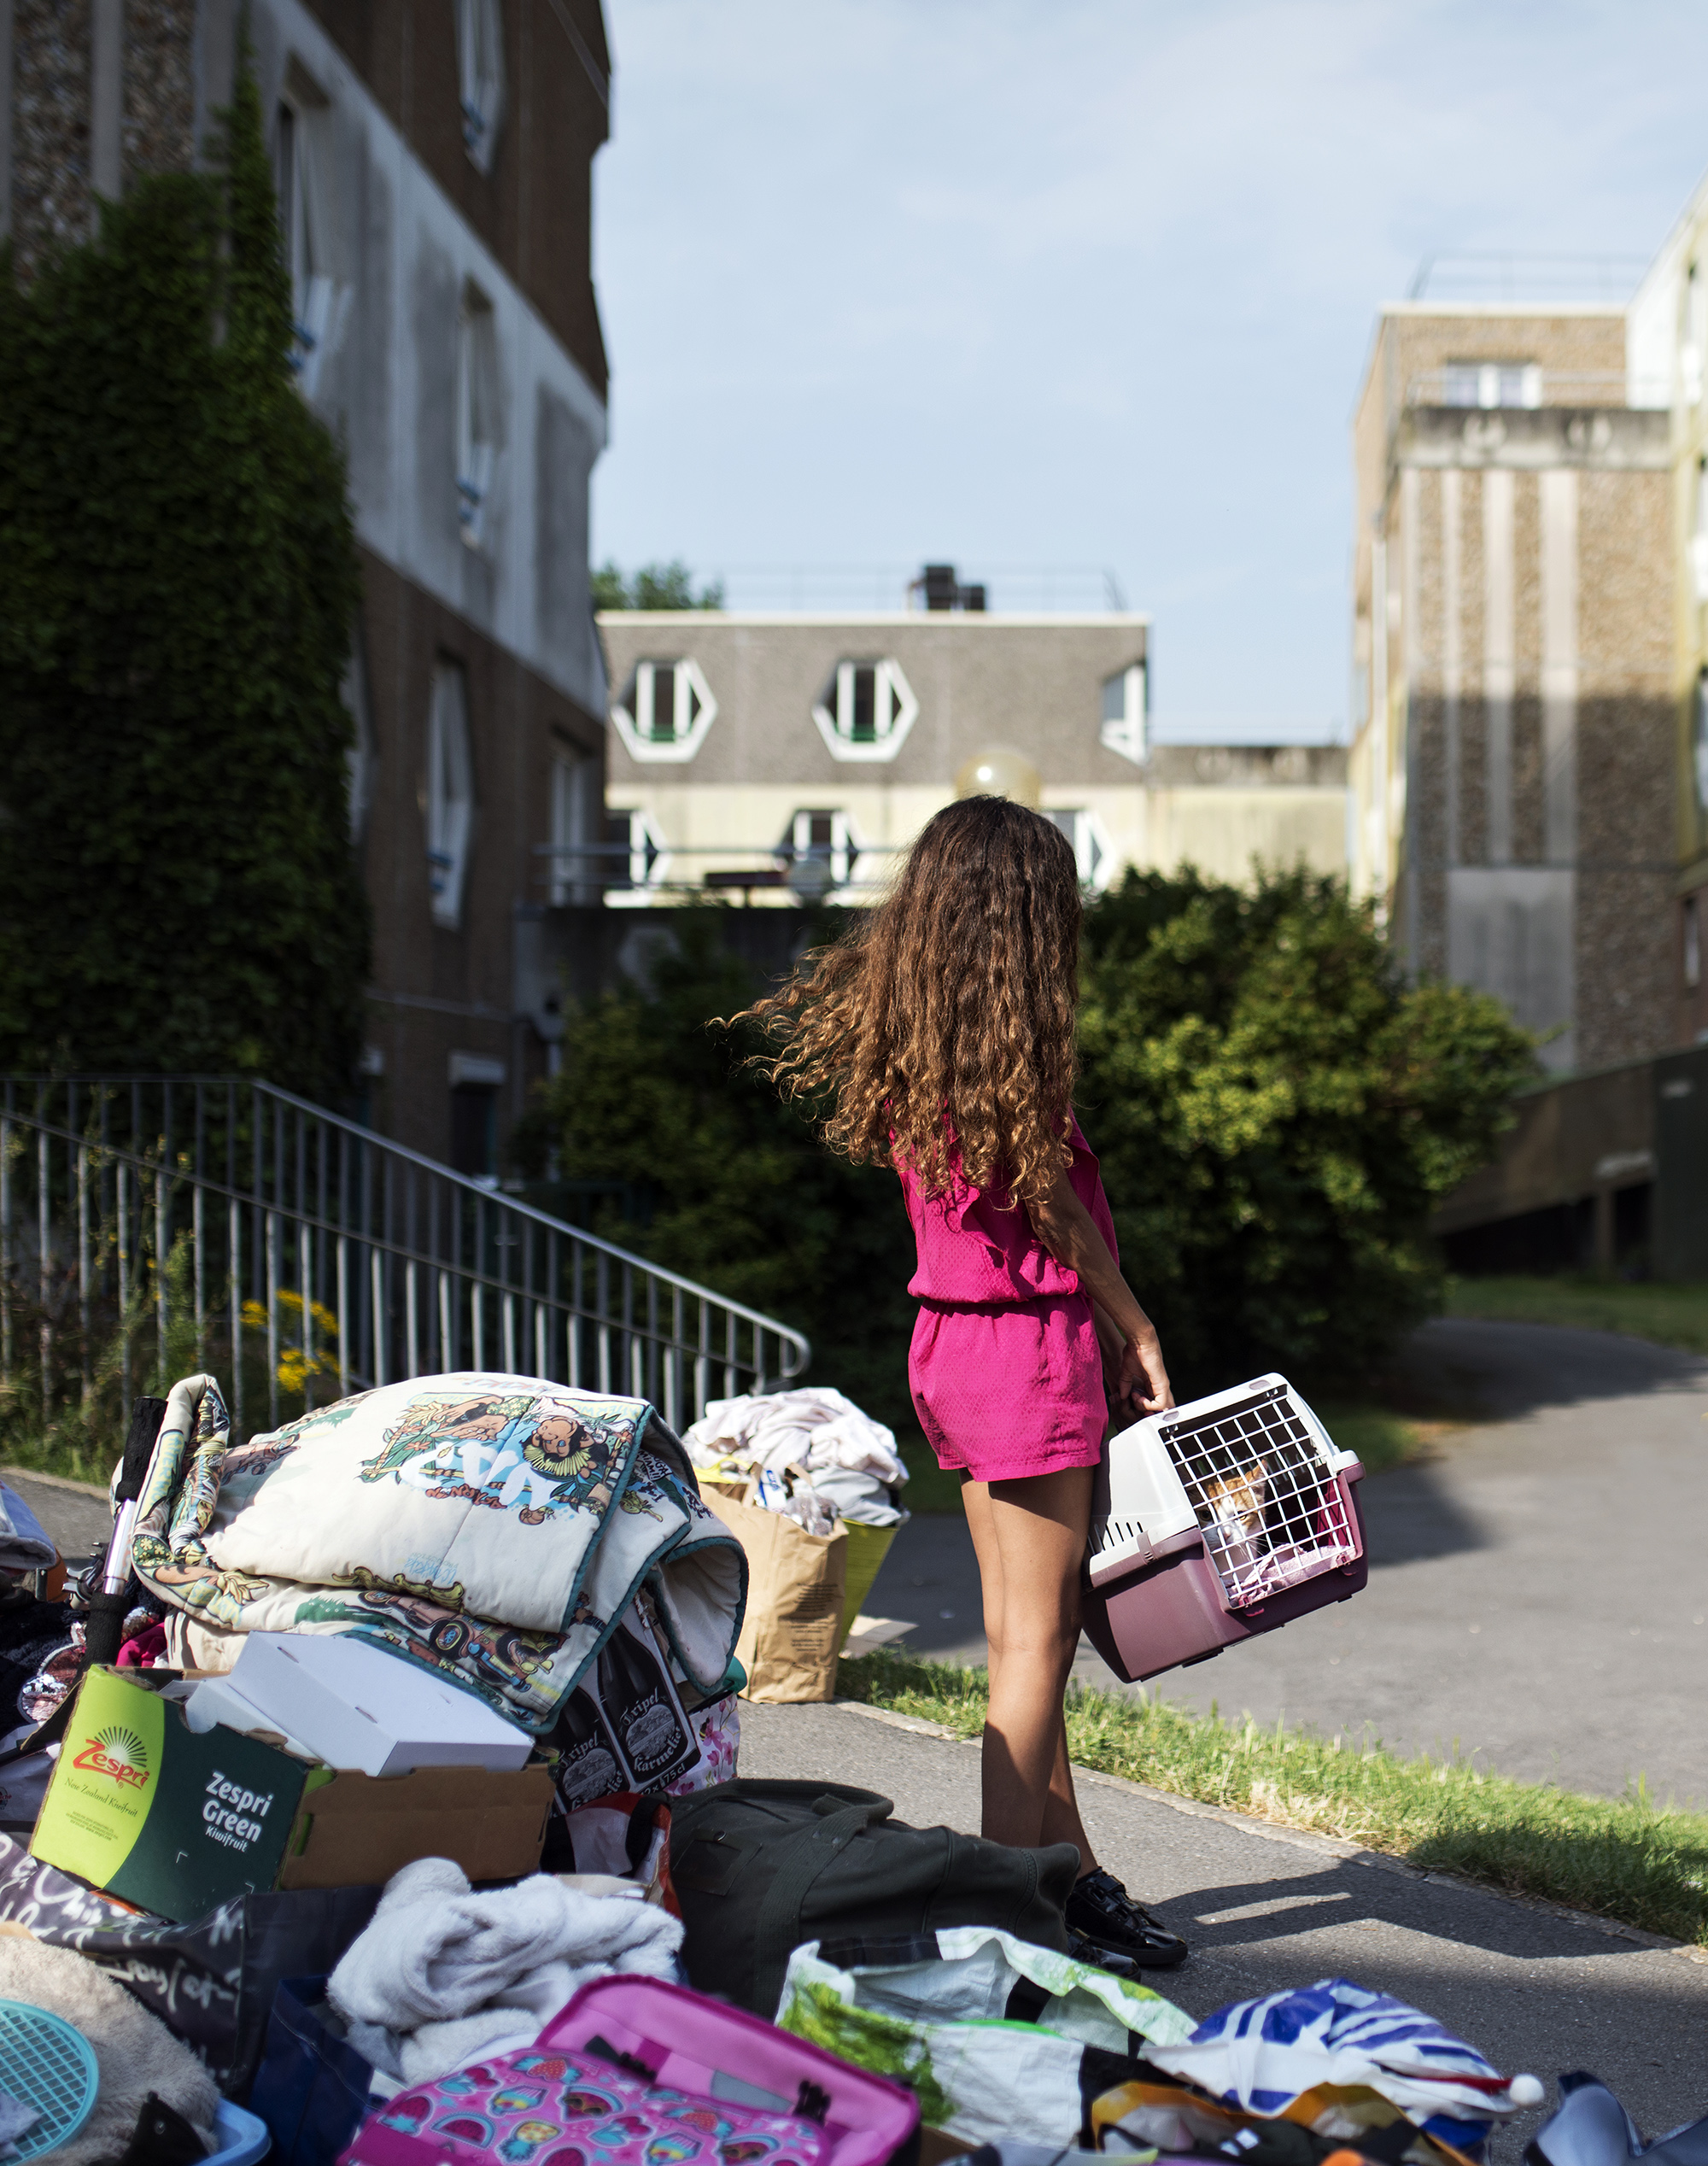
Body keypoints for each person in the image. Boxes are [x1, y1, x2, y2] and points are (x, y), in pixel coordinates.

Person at [735, 793, 1188, 1971]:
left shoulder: (929, 1052)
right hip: (1028, 1353)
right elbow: (1059, 1223)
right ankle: (1003, 1923)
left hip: (952, 1347)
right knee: (1033, 1653)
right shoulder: (1010, 1073)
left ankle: (1073, 1878)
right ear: (1026, 921)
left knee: (1016, 1638)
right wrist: (1135, 1327)